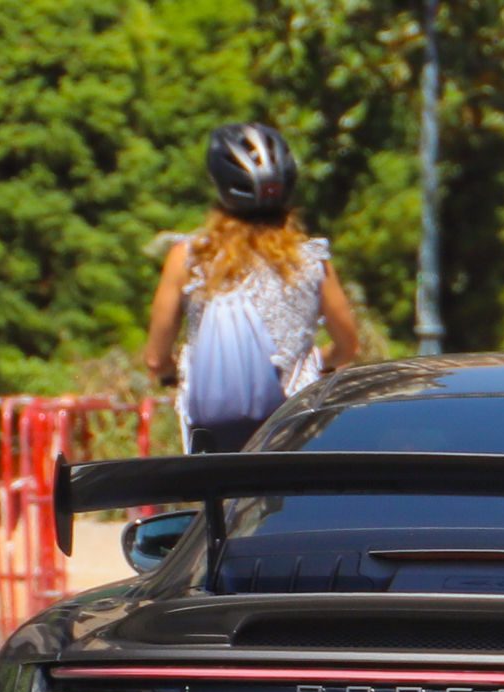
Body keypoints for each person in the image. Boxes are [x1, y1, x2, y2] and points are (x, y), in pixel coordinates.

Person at [142, 123, 359, 452]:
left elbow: (156, 359)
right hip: (292, 423)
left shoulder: (189, 258)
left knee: (216, 497)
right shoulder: (312, 259)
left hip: (214, 433)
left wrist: (173, 372)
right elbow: (348, 346)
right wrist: (315, 361)